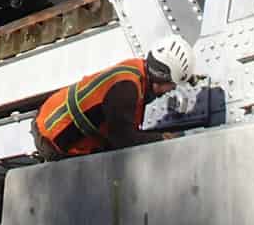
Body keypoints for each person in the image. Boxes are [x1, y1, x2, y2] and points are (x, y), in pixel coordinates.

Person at [32, 35, 195, 161]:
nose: (172, 90)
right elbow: (123, 139)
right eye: (172, 84)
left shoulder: (137, 69)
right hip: (51, 138)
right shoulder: (126, 89)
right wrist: (162, 138)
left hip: (49, 119)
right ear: (161, 76)